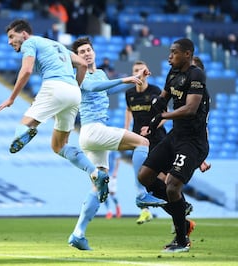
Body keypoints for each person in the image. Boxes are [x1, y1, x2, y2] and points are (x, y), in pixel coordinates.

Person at [0, 19, 109, 204]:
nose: (9, 42)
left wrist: (12, 98)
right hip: (73, 94)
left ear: (23, 34)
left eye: (11, 36)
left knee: (22, 127)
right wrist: (75, 88)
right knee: (59, 146)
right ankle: (95, 173)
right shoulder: (57, 45)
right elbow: (82, 65)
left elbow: (27, 70)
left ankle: (29, 130)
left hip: (54, 86)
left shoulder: (29, 43)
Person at [67, 37, 167, 251]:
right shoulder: (79, 74)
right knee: (142, 142)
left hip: (94, 136)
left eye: (88, 50)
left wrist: (136, 79)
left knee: (98, 186)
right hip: (93, 130)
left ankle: (78, 233)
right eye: (82, 51)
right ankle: (141, 194)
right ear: (77, 57)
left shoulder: (101, 73)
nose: (86, 54)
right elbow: (94, 88)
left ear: (94, 52)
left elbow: (108, 89)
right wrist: (125, 79)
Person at [137, 38, 210, 253]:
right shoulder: (173, 74)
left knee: (172, 187)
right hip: (175, 136)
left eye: (174, 52)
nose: (169, 56)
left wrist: (163, 115)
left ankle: (182, 240)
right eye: (169, 52)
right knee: (145, 176)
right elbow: (163, 98)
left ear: (187, 54)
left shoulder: (196, 75)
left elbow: (190, 109)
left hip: (192, 142)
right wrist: (153, 109)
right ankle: (181, 210)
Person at [125, 60, 167, 224]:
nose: (138, 73)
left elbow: (165, 115)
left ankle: (177, 210)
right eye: (135, 70)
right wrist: (126, 128)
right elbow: (128, 110)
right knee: (141, 174)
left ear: (147, 72)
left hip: (157, 139)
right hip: (138, 140)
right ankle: (145, 210)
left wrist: (151, 127)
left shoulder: (155, 91)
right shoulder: (129, 93)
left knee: (164, 178)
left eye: (141, 70)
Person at [104, 151, 122, 219]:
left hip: (111, 175)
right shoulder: (101, 147)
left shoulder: (112, 148)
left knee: (112, 194)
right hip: (103, 175)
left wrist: (115, 172)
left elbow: (118, 159)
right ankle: (109, 211)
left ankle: (117, 207)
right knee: (104, 194)